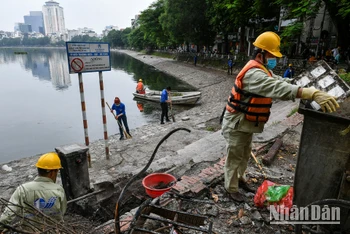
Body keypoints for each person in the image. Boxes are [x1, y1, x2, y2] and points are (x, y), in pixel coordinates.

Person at [221, 31, 339, 202]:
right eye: (272, 55)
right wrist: (309, 93)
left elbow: (281, 82)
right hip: (236, 124)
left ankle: (240, 180)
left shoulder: (263, 69)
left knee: (244, 154)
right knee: (235, 156)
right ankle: (231, 189)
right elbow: (277, 89)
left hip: (245, 123)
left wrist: (302, 84)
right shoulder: (254, 74)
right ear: (261, 53)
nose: (274, 59)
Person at [0, 152, 67, 230]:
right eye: (57, 171)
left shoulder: (22, 190)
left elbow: (8, 214)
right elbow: (62, 212)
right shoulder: (59, 190)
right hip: (55, 230)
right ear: (52, 172)